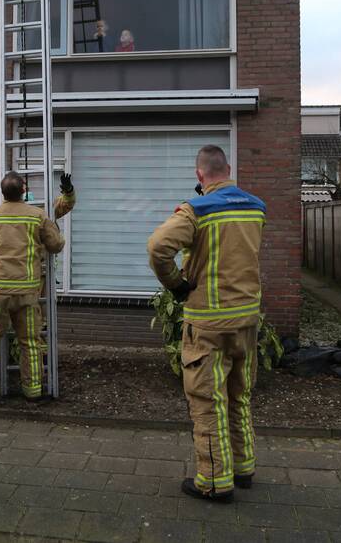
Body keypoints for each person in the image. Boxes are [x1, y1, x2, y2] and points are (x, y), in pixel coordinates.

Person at [147, 145, 266, 503]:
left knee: (207, 402)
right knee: (239, 396)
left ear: (200, 175)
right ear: (228, 169)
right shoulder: (257, 208)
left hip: (208, 324)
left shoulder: (195, 211)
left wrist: (177, 285)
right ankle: (243, 468)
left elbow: (157, 248)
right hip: (246, 319)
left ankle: (214, 482)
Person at [0, 171, 69, 403]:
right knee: (31, 342)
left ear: (2, 192)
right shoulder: (37, 215)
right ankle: (33, 391)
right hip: (27, 291)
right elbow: (55, 245)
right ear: (24, 190)